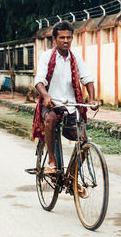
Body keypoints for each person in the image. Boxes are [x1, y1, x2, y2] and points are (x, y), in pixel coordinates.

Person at [32, 21, 98, 175]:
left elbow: (87, 78)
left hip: (72, 106)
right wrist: (46, 96)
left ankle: (73, 176)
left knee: (84, 142)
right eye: (62, 38)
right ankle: (52, 161)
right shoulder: (47, 56)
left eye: (69, 37)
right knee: (50, 120)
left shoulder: (76, 58)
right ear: (55, 39)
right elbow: (39, 81)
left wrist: (93, 99)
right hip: (51, 104)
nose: (66, 41)